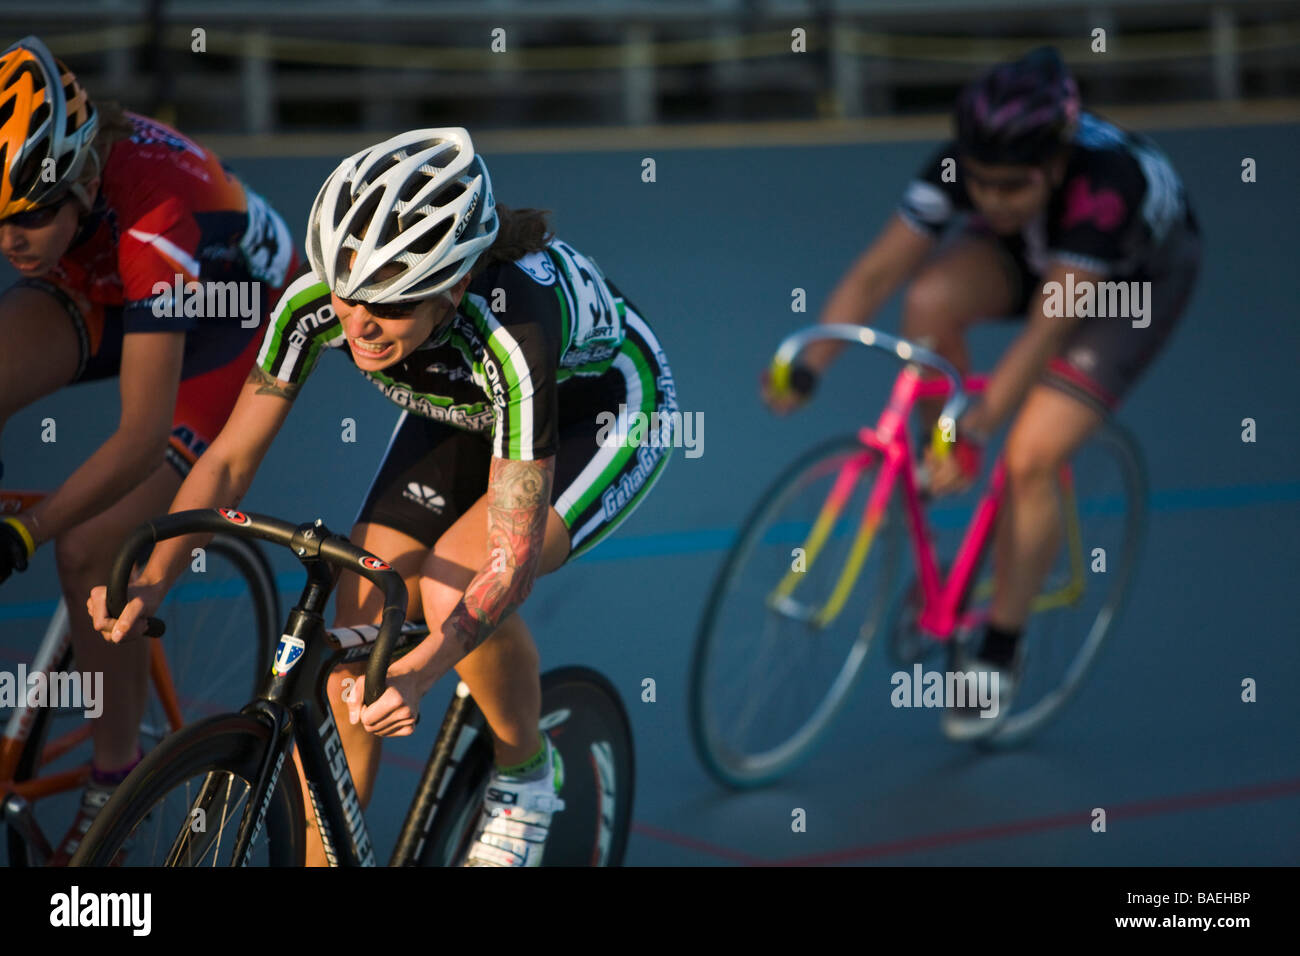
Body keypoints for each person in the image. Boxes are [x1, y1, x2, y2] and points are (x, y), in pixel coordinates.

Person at [89, 127, 678, 865]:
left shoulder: (511, 330)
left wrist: (427, 667)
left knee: (447, 583)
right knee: (353, 635)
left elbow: (512, 557)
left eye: (390, 306)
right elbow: (232, 457)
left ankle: (527, 776)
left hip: (600, 407)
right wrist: (151, 580)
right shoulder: (317, 301)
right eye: (348, 296)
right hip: (464, 406)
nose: (360, 324)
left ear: (453, 288)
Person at [762, 46, 1200, 739]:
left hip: (1127, 288)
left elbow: (1050, 331)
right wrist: (810, 360)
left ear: (1055, 166)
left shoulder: (1106, 188)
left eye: (1012, 186)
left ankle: (1001, 646)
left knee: (1029, 455)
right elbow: (878, 274)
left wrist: (983, 420)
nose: (991, 200)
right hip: (1035, 252)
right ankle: (948, 466)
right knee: (931, 296)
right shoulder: (961, 170)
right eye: (981, 183)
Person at [0, 34, 297, 863]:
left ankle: (113, 775)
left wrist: (29, 532)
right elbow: (45, 248)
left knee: (94, 549)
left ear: (83, 181)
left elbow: (138, 439)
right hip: (102, 279)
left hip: (232, 318)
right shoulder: (57, 207)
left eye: (27, 217)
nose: (9, 242)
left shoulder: (158, 216)